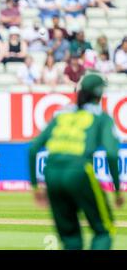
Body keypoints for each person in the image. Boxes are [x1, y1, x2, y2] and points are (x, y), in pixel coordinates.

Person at [28, 72, 124, 249]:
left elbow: (33, 149)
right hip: (79, 171)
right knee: (104, 230)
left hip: (51, 174)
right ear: (100, 93)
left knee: (71, 237)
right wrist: (117, 190)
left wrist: (35, 187)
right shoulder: (102, 117)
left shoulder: (62, 114)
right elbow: (111, 153)